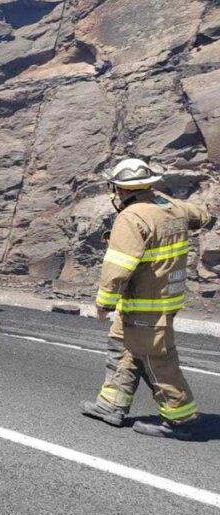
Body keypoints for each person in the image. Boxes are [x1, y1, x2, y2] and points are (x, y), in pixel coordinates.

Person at [81, 158, 215, 440]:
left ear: (118, 189)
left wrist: (105, 302)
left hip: (147, 304)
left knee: (157, 359)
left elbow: (118, 265)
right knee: (123, 347)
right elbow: (203, 216)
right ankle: (111, 405)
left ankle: (180, 419)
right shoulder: (168, 205)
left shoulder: (131, 218)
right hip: (163, 298)